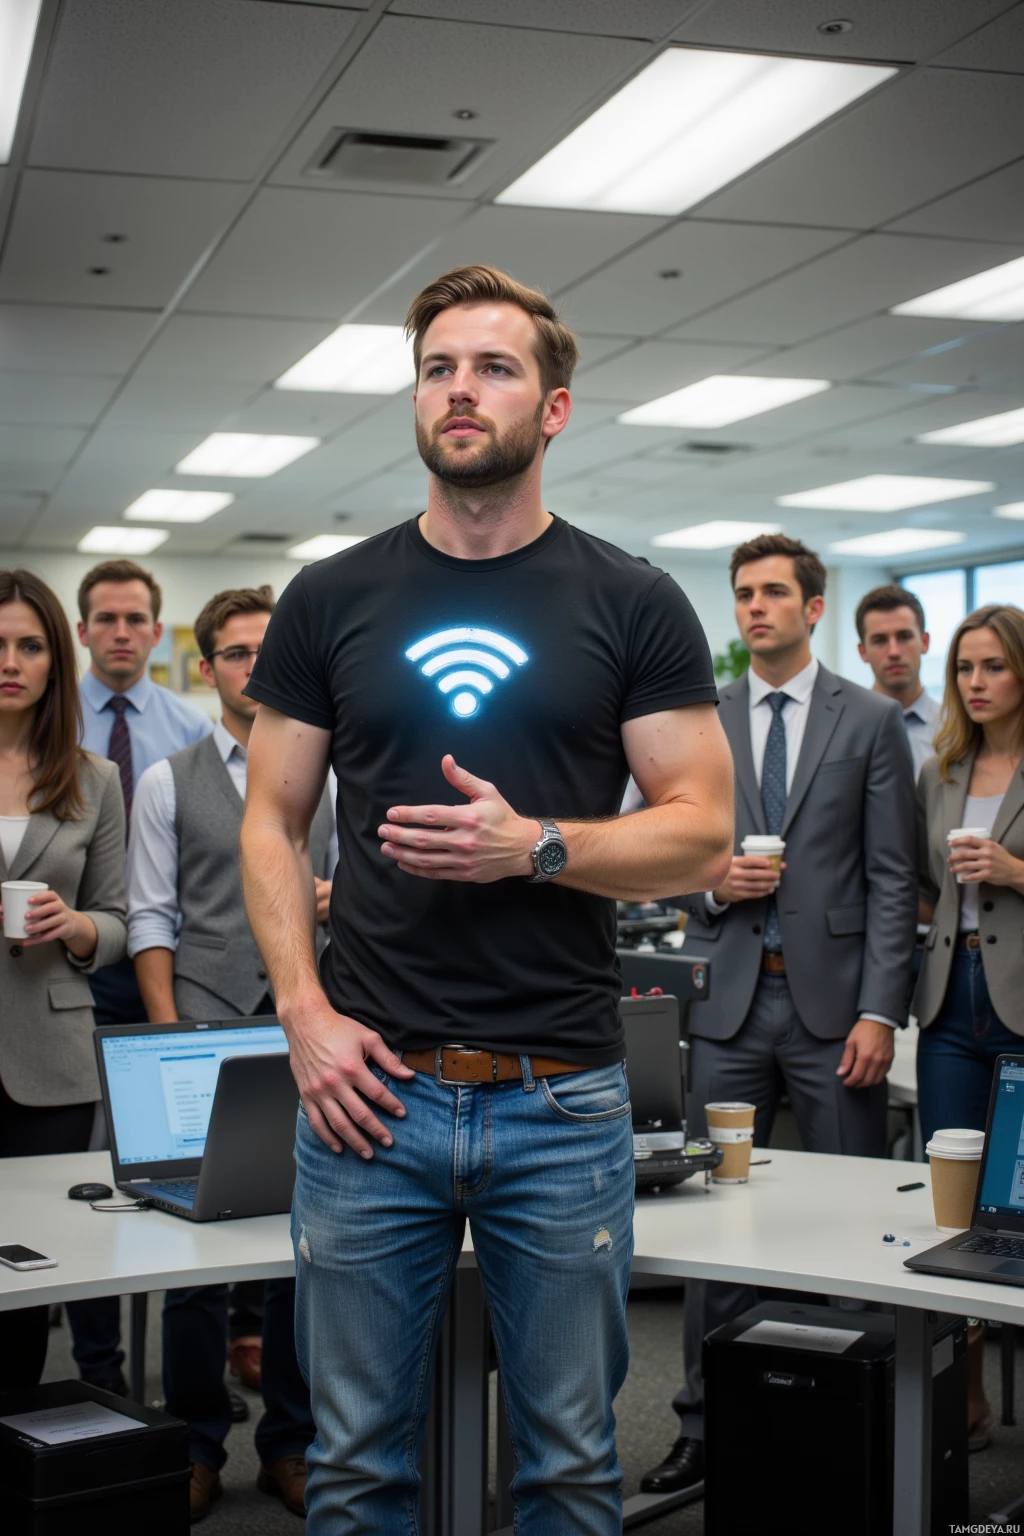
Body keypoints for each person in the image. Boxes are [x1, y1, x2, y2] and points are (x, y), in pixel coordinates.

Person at [239, 263, 734, 1533]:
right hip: (368, 1095)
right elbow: (272, 820)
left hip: (559, 1100)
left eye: (495, 367)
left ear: (554, 407)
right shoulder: (332, 596)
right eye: (439, 368)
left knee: (569, 1467)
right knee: (354, 1468)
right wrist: (299, 1008)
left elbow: (700, 833)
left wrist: (539, 849)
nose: (461, 391)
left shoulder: (630, 599)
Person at [642, 533, 918, 1496]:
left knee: (848, 1216)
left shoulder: (871, 720)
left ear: (812, 606)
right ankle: (702, 1426)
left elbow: (892, 880)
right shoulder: (701, 717)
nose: (755, 608)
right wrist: (714, 885)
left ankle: (851, 1422)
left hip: (835, 1011)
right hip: (726, 1005)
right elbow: (670, 861)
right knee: (717, 1223)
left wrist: (882, 1010)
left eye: (773, 593)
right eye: (743, 594)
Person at [128, 586, 336, 1521]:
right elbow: (151, 917)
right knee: (196, 1261)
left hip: (313, 1028)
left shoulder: (333, 775)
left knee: (307, 1246)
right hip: (205, 1027)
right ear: (206, 667)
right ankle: (197, 1443)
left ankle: (289, 1444)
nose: (256, 665)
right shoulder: (169, 779)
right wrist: (169, 1031)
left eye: (270, 649)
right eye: (237, 652)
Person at [73, 559, 212, 1395]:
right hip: (73, 967)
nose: (121, 633)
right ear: (83, 629)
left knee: (184, 1163)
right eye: (105, 619)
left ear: (157, 633)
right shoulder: (52, 727)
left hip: (166, 968)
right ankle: (99, 1372)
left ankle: (207, 1355)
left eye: (136, 620)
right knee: (89, 1173)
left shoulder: (188, 729)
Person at [0, 569, 127, 1389]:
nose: (9, 660)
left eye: (29, 644)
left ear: (55, 660)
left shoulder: (93, 779)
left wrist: (77, 927)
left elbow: (117, 917)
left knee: (26, 1272)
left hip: (50, 1058)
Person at [914, 604, 1024, 1450]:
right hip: (953, 1004)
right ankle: (972, 1398)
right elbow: (924, 886)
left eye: (993, 666)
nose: (976, 683)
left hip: (1022, 1003)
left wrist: (1014, 869)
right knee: (956, 1213)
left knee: (1020, 1209)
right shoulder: (942, 769)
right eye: (964, 668)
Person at [856, 582, 940, 780]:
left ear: (925, 642)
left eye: (904, 637)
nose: (894, 652)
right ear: (863, 652)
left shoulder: (955, 731)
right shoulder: (844, 732)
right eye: (880, 640)